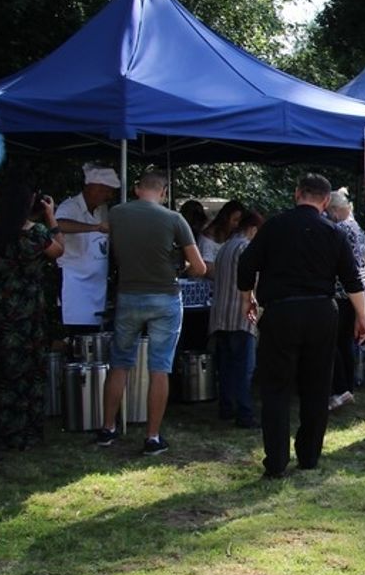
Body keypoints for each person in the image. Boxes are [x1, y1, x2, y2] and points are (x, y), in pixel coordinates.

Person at [237, 173, 365, 478]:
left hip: (281, 312)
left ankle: (277, 461)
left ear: (297, 194)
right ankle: (309, 456)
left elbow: (246, 265)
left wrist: (249, 297)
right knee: (317, 387)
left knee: (276, 388)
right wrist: (361, 316)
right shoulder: (333, 232)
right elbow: (352, 279)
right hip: (322, 311)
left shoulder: (273, 226)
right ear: (325, 201)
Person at [95, 171, 206, 456]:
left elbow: (108, 236)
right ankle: (152, 437)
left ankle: (107, 428)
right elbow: (200, 267)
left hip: (129, 295)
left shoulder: (118, 214)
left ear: (136, 189)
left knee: (119, 363)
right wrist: (179, 267)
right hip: (165, 297)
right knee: (160, 368)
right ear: (164, 192)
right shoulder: (174, 219)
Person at [0, 173, 64, 451]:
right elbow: (58, 252)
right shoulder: (35, 233)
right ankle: (22, 432)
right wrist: (51, 216)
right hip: (26, 311)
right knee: (25, 372)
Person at [209, 209, 263, 429]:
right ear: (252, 229)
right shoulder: (246, 247)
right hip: (241, 316)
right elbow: (255, 281)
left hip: (221, 315)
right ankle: (244, 414)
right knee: (244, 368)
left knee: (227, 366)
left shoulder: (224, 248)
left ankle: (226, 407)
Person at [56, 162, 120, 331]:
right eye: (105, 190)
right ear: (92, 187)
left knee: (96, 329)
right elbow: (59, 224)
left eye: (110, 192)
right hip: (74, 281)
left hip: (97, 282)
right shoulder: (70, 206)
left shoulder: (102, 209)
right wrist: (94, 227)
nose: (108, 195)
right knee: (77, 330)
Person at [327, 187, 365, 411]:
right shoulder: (357, 227)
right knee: (346, 342)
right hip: (358, 291)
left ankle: (340, 388)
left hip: (341, 292)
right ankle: (348, 388)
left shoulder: (339, 229)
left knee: (336, 342)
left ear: (334, 209)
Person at [197, 199, 244, 277]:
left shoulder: (235, 236)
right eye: (235, 220)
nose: (237, 224)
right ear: (225, 219)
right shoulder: (207, 238)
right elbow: (208, 269)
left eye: (240, 221)